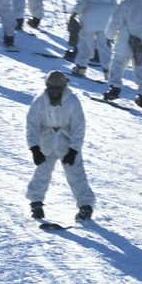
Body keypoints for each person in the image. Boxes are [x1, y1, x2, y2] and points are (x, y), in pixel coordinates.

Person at [26, 70, 96, 223]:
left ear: (64, 87)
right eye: (52, 88)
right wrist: (34, 148)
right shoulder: (39, 101)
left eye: (58, 89)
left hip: (66, 141)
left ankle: (85, 206)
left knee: (76, 175)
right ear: (47, 87)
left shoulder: (72, 101)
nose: (55, 92)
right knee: (42, 173)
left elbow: (78, 126)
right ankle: (36, 203)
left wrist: (73, 149)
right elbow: (32, 125)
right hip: (47, 140)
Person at [70, 0, 115, 78]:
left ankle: (81, 67)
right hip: (105, 17)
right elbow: (113, 0)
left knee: (85, 43)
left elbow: (82, 0)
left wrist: (74, 13)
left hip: (89, 15)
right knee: (104, 45)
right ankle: (108, 71)